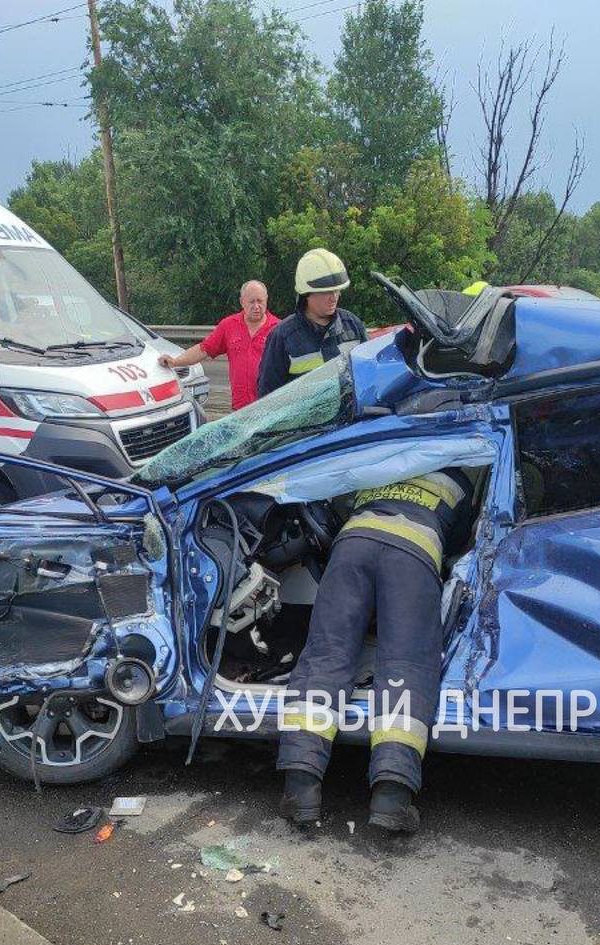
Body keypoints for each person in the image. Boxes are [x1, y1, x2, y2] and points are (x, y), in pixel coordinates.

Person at [277, 468, 474, 834]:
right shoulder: (459, 479)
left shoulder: (384, 458)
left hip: (351, 548)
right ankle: (392, 798)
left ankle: (300, 789)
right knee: (405, 668)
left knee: (327, 655)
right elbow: (461, 543)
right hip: (414, 556)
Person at [257, 249, 367, 397]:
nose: (334, 297)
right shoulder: (283, 337)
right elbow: (267, 396)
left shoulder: (352, 325)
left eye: (337, 290)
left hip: (352, 420)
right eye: (326, 291)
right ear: (306, 294)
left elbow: (367, 375)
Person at [159, 280, 277, 411]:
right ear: (242, 302)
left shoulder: (278, 329)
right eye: (251, 302)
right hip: (239, 409)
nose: (256, 306)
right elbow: (203, 349)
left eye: (260, 301)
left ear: (266, 300)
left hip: (270, 408)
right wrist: (175, 361)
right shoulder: (229, 326)